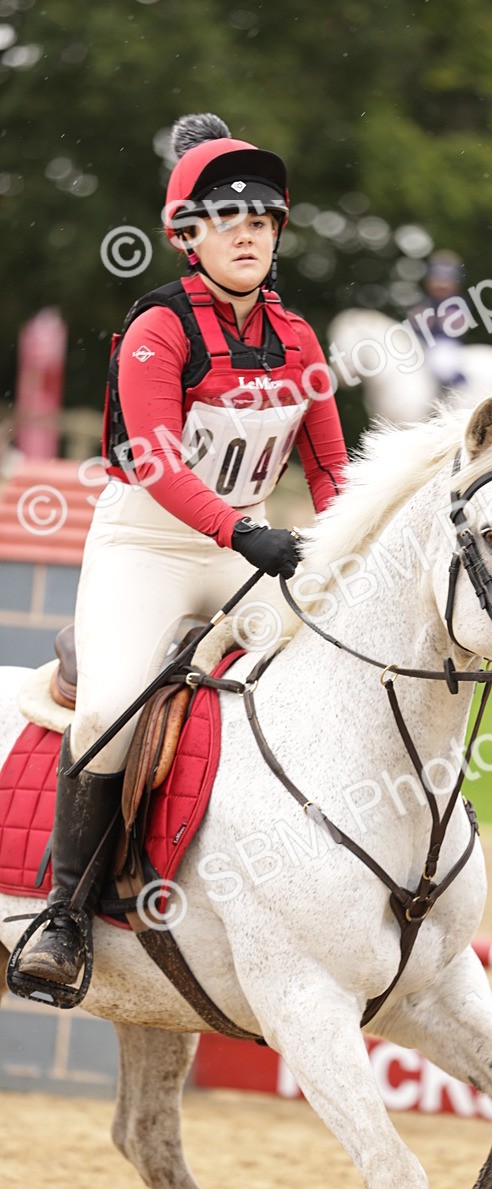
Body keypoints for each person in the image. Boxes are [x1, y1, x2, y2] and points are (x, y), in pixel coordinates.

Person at [18, 113, 349, 985]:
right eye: (225, 220)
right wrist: (245, 531)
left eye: (263, 220)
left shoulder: (301, 340)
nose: (247, 234)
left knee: (342, 668)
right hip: (150, 549)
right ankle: (64, 921)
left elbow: (329, 469)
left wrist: (353, 553)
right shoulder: (158, 329)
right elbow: (158, 463)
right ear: (186, 238)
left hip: (250, 547)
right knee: (108, 709)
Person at [407, 250, 468, 393]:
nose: (440, 285)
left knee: (442, 364)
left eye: (446, 280)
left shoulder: (456, 303)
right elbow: (412, 324)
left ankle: (450, 396)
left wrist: (434, 320)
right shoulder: (423, 301)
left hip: (442, 342)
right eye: (436, 280)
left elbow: (456, 327)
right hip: (418, 343)